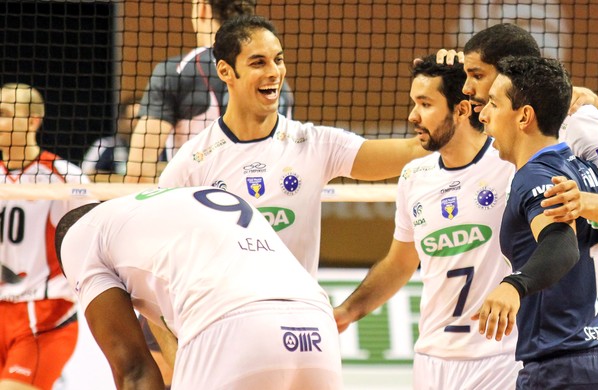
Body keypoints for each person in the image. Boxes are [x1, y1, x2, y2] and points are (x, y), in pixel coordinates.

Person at [159, 15, 428, 278]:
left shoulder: (315, 145)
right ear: (225, 71)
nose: (274, 72)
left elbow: (414, 150)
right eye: (258, 63)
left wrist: (453, 95)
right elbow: (158, 260)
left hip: (298, 317)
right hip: (225, 317)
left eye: (278, 60)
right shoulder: (192, 163)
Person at [334, 55, 521, 389]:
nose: (413, 116)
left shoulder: (511, 164)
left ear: (463, 110)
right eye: (414, 103)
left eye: (425, 104)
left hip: (501, 358)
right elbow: (399, 263)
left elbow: (547, 99)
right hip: (431, 360)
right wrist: (348, 311)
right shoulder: (414, 176)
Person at [476, 55, 598, 388]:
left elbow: (561, 246)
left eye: (492, 103)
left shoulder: (536, 176)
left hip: (563, 370)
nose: (483, 114)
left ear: (524, 116)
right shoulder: (591, 175)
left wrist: (513, 285)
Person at [55, 186, 343, 390]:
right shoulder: (157, 210)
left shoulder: (79, 237)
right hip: (317, 323)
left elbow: (134, 370)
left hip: (235, 326)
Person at [125, 0, 294, 183]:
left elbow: (139, 169)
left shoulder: (177, 72)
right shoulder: (278, 85)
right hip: (264, 207)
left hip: (195, 206)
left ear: (202, 7)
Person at [0, 83, 94, 390]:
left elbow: (93, 246)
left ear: (32, 121)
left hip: (45, 315)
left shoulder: (67, 177)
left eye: (4, 113)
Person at [81, 95, 140, 182]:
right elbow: (85, 174)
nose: (139, 123)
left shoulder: (163, 148)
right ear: (121, 120)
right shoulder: (104, 145)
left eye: (143, 118)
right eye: (136, 118)